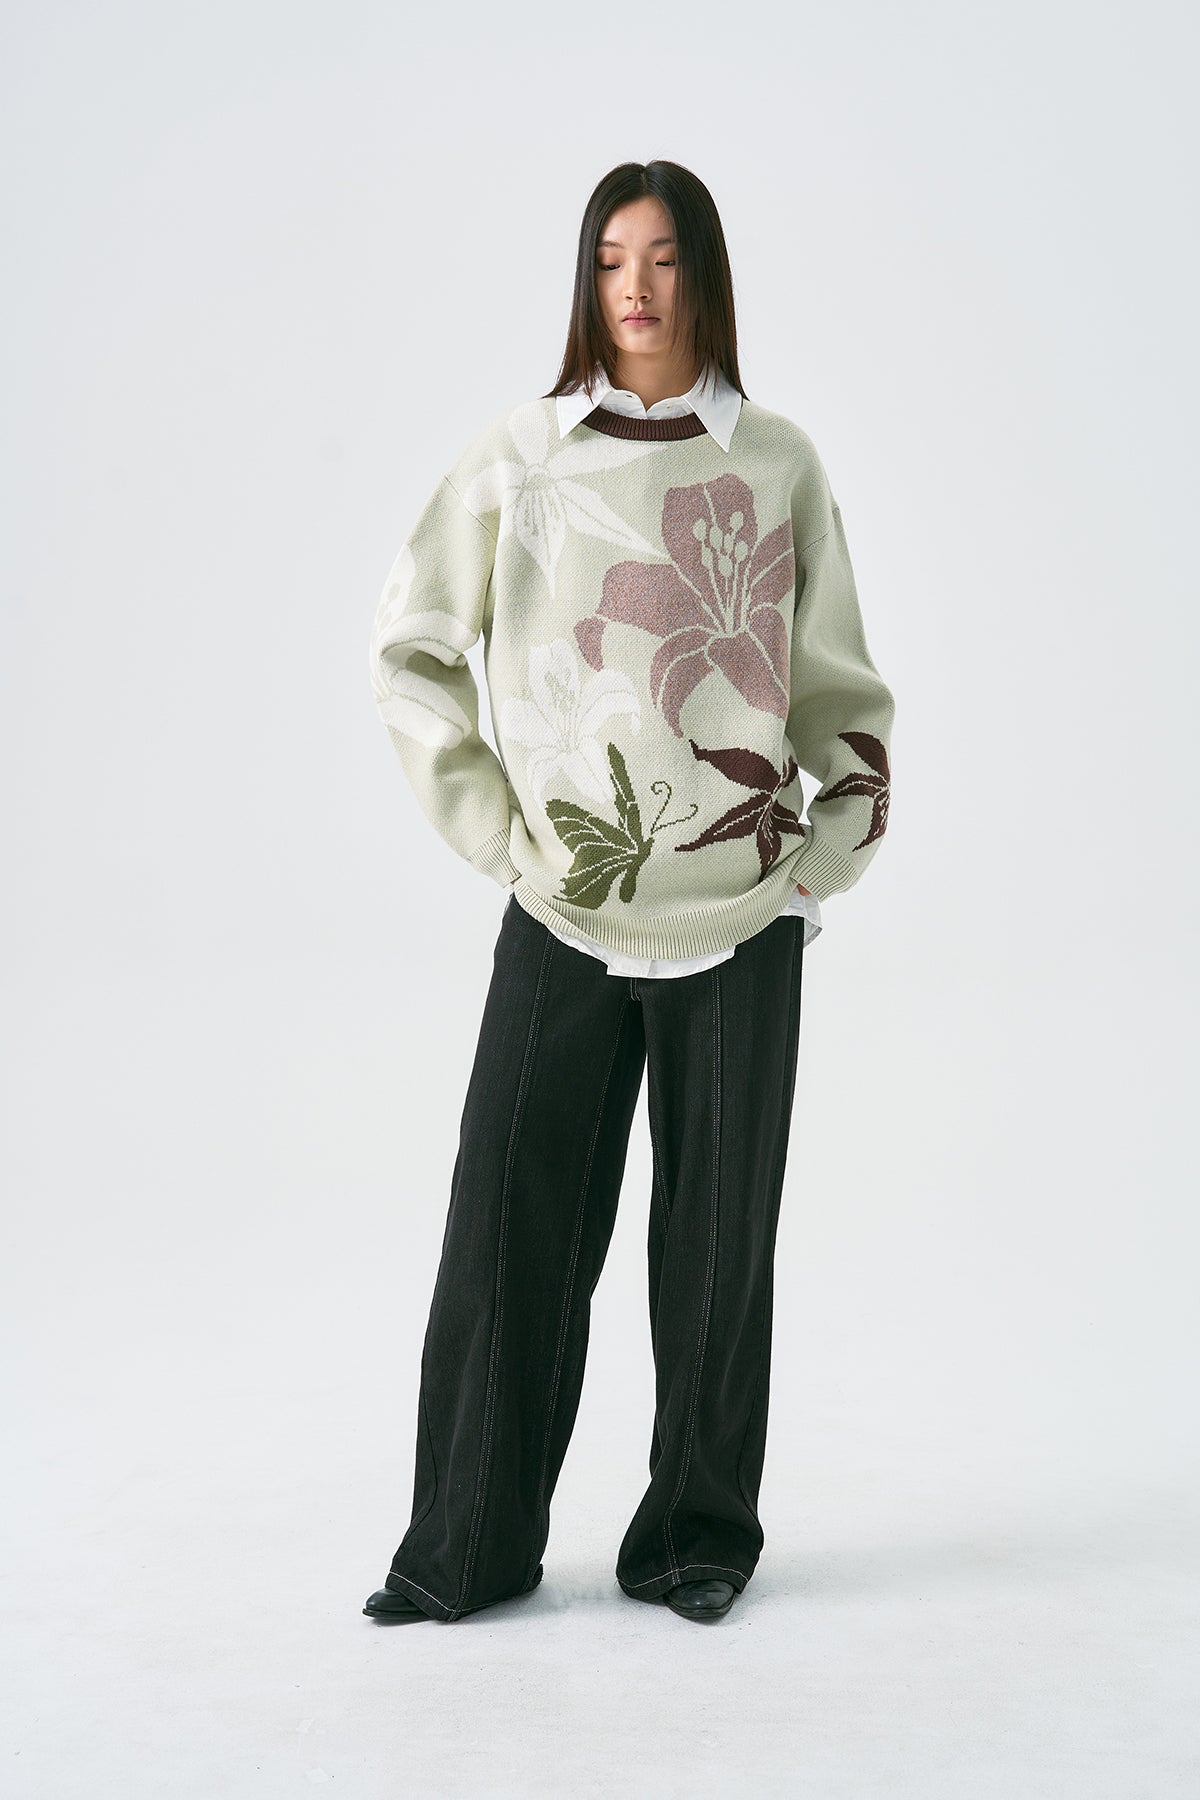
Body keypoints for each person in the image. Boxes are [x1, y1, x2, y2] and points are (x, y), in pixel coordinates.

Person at [362, 159, 895, 1626]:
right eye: (610, 261)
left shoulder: (775, 462)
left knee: (717, 1253)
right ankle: (464, 1549)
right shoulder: (521, 460)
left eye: (661, 260)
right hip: (565, 912)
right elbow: (411, 652)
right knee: (507, 1233)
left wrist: (819, 859)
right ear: (585, 283)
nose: (636, 289)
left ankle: (693, 1543)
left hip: (741, 921)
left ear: (704, 276)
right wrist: (504, 840)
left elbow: (841, 695)